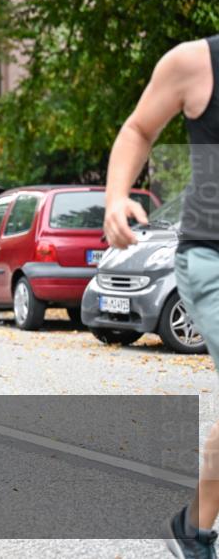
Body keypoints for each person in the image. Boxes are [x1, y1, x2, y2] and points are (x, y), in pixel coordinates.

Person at [103, 35, 219, 558]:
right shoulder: (195, 63)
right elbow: (139, 128)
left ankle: (193, 527)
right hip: (212, 258)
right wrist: (115, 196)